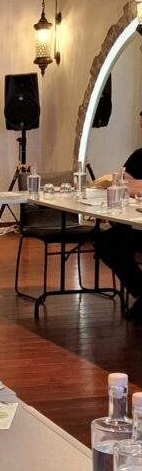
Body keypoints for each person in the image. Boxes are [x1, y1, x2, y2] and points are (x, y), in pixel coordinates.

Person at [94, 111, 142, 320]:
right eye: (141, 125)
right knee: (106, 241)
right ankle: (141, 292)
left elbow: (130, 185)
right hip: (136, 225)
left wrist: (134, 186)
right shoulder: (139, 156)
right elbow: (121, 183)